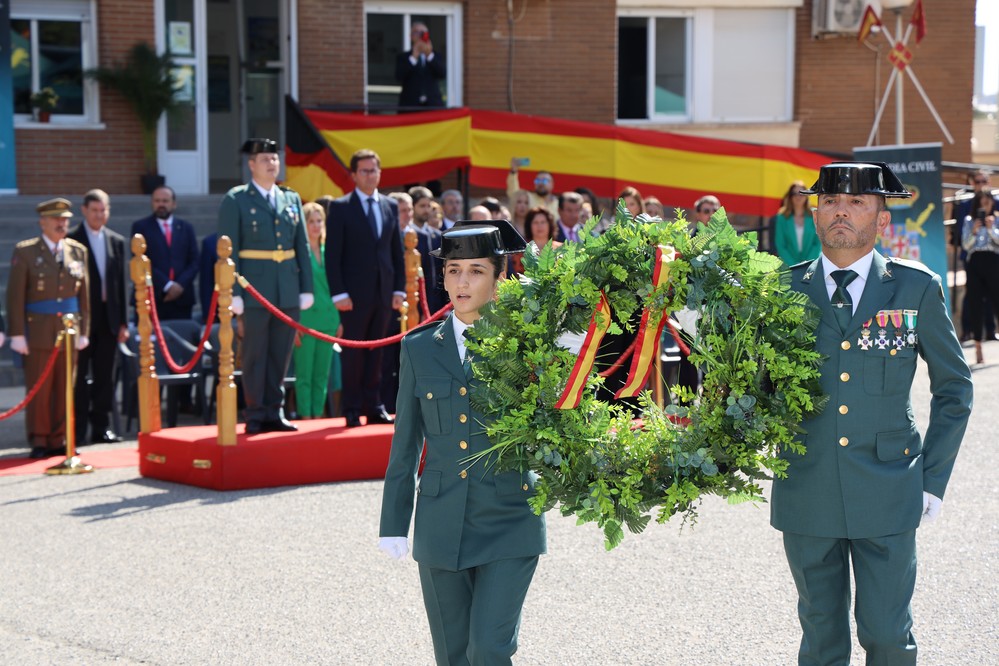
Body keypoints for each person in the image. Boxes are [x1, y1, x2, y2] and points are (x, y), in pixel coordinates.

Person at [771, 162, 973, 665]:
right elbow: (754, 386)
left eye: (857, 203)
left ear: (883, 221)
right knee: (821, 639)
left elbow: (954, 390)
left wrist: (931, 480)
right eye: (831, 202)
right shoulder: (779, 291)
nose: (841, 211)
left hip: (888, 488)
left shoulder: (915, 288)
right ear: (815, 217)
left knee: (886, 634)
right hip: (806, 487)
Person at [379, 219, 546, 665]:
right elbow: (406, 443)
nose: (462, 281)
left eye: (475, 270)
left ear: (498, 278)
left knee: (489, 649)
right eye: (453, 270)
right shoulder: (419, 347)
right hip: (440, 520)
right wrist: (393, 521)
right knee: (452, 655)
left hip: (509, 516)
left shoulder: (527, 340)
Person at [219, 138, 313, 435]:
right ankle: (256, 412)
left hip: (286, 288)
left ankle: (275, 410)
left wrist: (305, 286)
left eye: (274, 159)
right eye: (265, 159)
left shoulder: (290, 198)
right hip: (254, 290)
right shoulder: (236, 200)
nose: (272, 164)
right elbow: (227, 251)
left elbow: (302, 247)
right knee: (255, 354)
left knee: (280, 354)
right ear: (251, 165)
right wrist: (233, 292)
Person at [326, 148, 405, 428]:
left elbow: (396, 251)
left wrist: (399, 289)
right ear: (353, 175)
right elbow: (332, 255)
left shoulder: (389, 206)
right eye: (364, 171)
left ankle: (374, 405)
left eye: (374, 170)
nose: (370, 175)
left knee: (378, 352)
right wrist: (339, 293)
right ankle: (351, 407)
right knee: (354, 352)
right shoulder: (340, 207)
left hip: (384, 292)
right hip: (353, 295)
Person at [7, 198, 90, 458]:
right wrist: (17, 333)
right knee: (40, 390)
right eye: (56, 219)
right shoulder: (26, 251)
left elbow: (84, 297)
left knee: (66, 387)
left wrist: (84, 330)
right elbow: (15, 296)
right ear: (42, 222)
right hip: (39, 330)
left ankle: (62, 438)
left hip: (69, 330)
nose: (61, 223)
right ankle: (40, 439)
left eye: (65, 219)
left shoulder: (77, 251)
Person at [69, 189, 127, 445]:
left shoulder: (115, 240)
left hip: (109, 318)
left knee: (105, 375)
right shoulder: (71, 239)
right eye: (94, 210)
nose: (99, 215)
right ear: (84, 211)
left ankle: (101, 427)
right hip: (82, 319)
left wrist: (123, 321)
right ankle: (78, 428)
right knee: (79, 376)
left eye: (103, 210)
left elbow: (120, 285)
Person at [293, 202, 342, 419]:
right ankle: (305, 417)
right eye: (311, 221)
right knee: (304, 374)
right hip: (304, 320)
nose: (315, 225)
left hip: (329, 319)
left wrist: (339, 319)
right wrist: (292, 323)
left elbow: (337, 288)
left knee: (322, 375)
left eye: (319, 220)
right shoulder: (297, 252)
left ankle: (317, 417)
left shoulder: (328, 249)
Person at [130, 185, 200, 320]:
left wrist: (179, 285)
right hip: (152, 297)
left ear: (174, 204)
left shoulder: (186, 228)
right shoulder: (140, 227)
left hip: (182, 299)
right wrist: (167, 285)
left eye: (165, 201)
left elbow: (195, 261)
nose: (161, 204)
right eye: (157, 201)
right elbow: (141, 261)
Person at [960, 189, 999, 365]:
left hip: (993, 261)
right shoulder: (969, 221)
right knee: (975, 303)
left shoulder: (996, 219)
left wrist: (991, 229)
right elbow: (965, 245)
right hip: (975, 262)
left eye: (988, 202)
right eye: (982, 203)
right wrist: (974, 231)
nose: (986, 206)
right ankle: (978, 347)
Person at [396, 21, 445, 110]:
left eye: (422, 33)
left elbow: (442, 74)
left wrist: (429, 55)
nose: (420, 35)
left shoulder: (436, 56)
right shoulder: (403, 57)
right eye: (416, 32)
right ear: (411, 36)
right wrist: (414, 57)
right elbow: (399, 76)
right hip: (410, 107)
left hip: (432, 106)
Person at [773, 180, 820, 266]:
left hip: (811, 266)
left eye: (801, 193)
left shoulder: (815, 215)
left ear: (806, 196)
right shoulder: (782, 218)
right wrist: (794, 266)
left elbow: (818, 243)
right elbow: (781, 245)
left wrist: (807, 263)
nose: (798, 196)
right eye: (794, 194)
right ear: (790, 197)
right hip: (789, 267)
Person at [508, 206, 560, 275]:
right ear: (529, 225)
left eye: (543, 222)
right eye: (535, 222)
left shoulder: (561, 248)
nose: (539, 226)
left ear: (550, 225)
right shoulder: (521, 251)